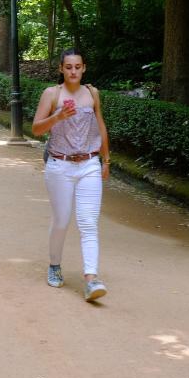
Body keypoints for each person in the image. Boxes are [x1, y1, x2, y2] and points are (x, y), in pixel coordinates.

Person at [31, 48, 111, 302]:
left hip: (89, 164)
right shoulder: (52, 94)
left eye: (77, 67)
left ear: (84, 68)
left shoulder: (92, 93)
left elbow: (100, 126)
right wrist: (58, 116)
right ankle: (55, 265)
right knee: (62, 221)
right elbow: (35, 129)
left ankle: (91, 279)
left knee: (88, 223)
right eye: (68, 67)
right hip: (60, 165)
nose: (73, 71)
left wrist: (106, 160)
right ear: (61, 69)